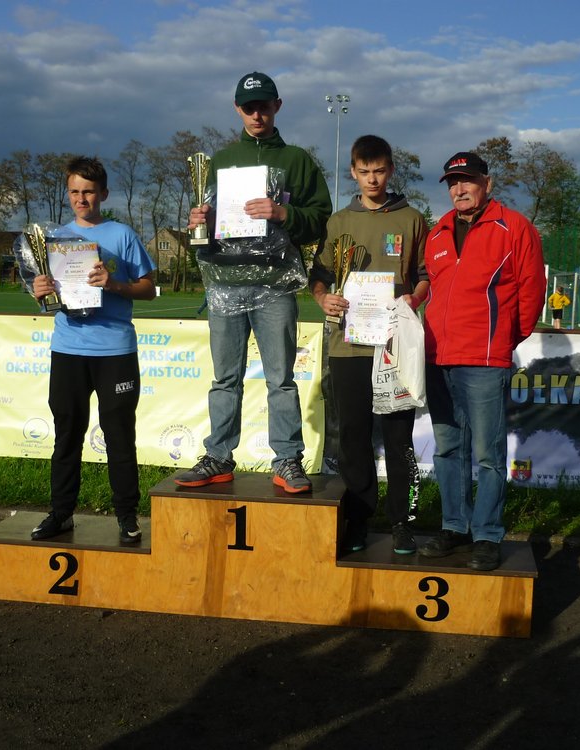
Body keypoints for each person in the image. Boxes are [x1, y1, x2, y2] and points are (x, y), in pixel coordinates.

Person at [175, 71, 331, 493]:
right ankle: (218, 456)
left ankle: (287, 460)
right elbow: (206, 231)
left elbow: (321, 218)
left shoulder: (297, 160)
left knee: (280, 378)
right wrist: (198, 223)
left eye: (263, 105)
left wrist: (284, 214)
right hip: (225, 282)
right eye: (249, 107)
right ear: (237, 109)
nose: (257, 114)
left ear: (277, 106)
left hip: (275, 284)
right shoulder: (221, 161)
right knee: (225, 378)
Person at [419, 152, 545, 571]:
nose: (459, 189)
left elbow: (531, 293)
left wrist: (504, 339)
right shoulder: (437, 232)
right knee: (448, 449)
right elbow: (432, 290)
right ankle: (455, 526)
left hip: (485, 359)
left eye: (468, 180)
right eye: (452, 182)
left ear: (487, 184)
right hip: (438, 356)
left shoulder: (515, 227)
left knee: (488, 453)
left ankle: (487, 534)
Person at [309, 135, 429, 555]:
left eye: (379, 171)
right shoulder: (339, 221)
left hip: (395, 345)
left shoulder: (412, 218)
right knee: (353, 436)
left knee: (399, 438)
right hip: (349, 345)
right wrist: (324, 299)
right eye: (364, 172)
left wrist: (414, 299)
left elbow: (425, 275)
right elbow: (320, 276)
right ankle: (358, 520)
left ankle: (403, 522)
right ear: (353, 172)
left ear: (391, 170)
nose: (373, 179)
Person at [30, 155, 157, 544]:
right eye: (74, 191)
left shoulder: (122, 235)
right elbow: (47, 294)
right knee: (67, 433)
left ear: (103, 193)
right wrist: (39, 292)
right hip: (68, 348)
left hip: (115, 350)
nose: (81, 199)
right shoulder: (54, 239)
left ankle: (127, 516)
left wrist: (113, 284)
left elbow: (149, 289)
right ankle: (61, 513)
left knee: (119, 434)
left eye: (88, 191)